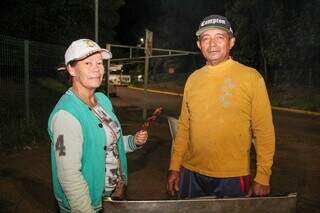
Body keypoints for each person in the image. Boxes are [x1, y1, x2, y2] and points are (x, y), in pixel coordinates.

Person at [167, 15, 275, 199]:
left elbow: (263, 130)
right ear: (199, 45)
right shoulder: (193, 79)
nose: (212, 44)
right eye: (206, 38)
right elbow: (184, 127)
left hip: (232, 176)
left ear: (231, 42)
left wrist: (263, 175)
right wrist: (175, 166)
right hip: (191, 172)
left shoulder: (251, 78)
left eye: (219, 37)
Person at [48, 39, 148, 212]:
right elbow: (68, 175)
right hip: (87, 205)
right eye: (87, 63)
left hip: (112, 197)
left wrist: (133, 142)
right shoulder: (66, 116)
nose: (97, 68)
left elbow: (104, 145)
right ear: (71, 69)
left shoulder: (102, 100)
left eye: (99, 63)